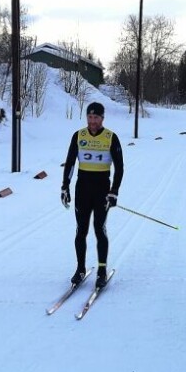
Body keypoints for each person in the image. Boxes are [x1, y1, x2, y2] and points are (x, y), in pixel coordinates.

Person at [61, 101, 124, 290]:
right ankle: (80, 269)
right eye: (90, 117)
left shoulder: (111, 137)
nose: (93, 121)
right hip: (83, 188)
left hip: (102, 189)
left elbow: (120, 168)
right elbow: (70, 163)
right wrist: (65, 186)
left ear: (102, 118)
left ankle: (102, 271)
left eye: (96, 117)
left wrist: (114, 191)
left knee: (99, 228)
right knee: (81, 230)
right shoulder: (78, 136)